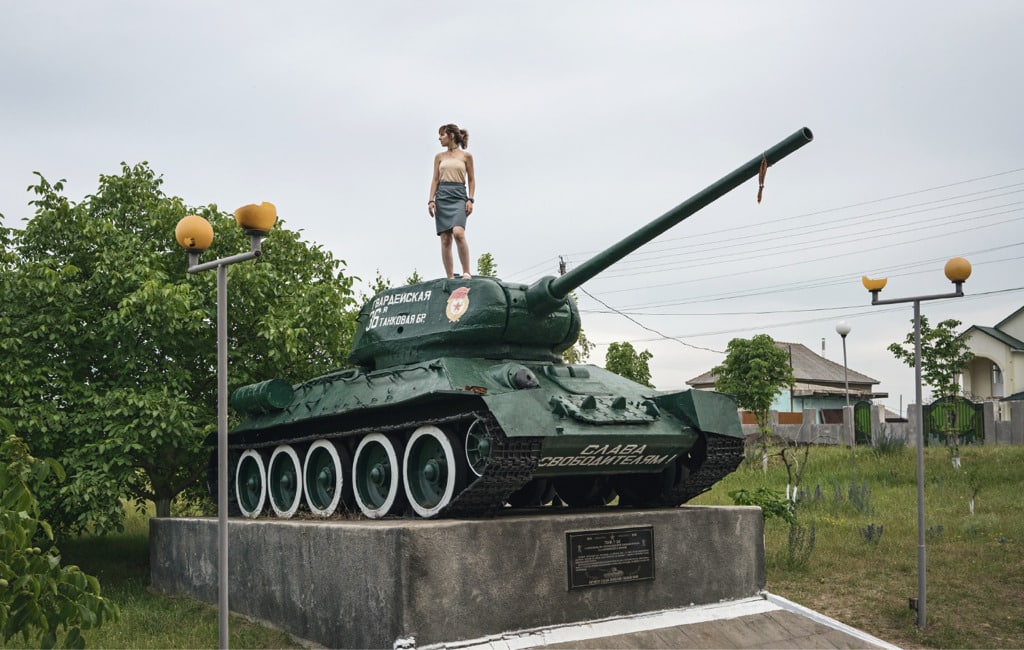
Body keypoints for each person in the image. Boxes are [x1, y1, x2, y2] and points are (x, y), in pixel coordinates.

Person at [428, 123, 475, 279]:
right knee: (445, 239)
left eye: (442, 135)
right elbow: (435, 179)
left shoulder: (466, 156)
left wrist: (470, 199)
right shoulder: (439, 157)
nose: (440, 138)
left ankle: (466, 271)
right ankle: (450, 277)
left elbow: (471, 179)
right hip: (442, 196)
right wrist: (431, 200)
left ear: (451, 135)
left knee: (458, 232)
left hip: (459, 195)